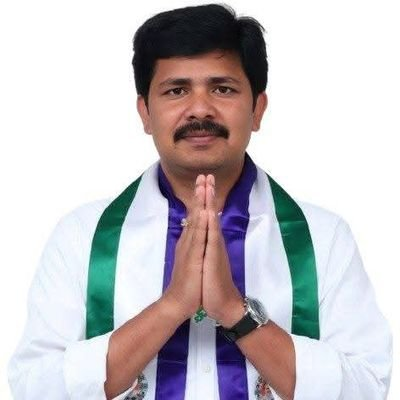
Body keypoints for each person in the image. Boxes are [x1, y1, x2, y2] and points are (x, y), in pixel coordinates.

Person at [8, 4, 392, 400]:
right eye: (176, 91)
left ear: (257, 109)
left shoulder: (323, 238)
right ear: (145, 113)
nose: (200, 109)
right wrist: (172, 305)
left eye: (222, 89)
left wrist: (234, 310)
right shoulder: (82, 236)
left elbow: (368, 387)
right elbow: (33, 387)